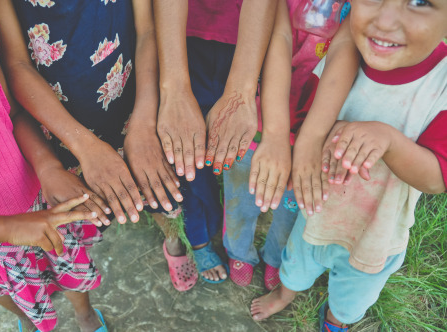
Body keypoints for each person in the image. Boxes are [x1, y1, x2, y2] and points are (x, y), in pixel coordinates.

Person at [0, 0, 194, 291]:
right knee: (97, 206)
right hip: (63, 125)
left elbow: (146, 29)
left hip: (135, 98)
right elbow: (16, 64)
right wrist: (84, 146)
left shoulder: (142, 114)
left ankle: (173, 236)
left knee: (159, 187)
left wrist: (144, 120)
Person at [251, 1, 447, 331]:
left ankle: (337, 319)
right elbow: (305, 127)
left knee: (354, 293)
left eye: (419, 1)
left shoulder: (440, 86)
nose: (385, 21)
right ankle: (285, 294)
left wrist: (390, 140)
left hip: (378, 233)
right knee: (297, 263)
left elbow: (437, 178)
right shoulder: (339, 61)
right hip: (318, 211)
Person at [0, 4, 108, 332]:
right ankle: (28, 319)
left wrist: (47, 167)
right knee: (7, 290)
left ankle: (85, 315)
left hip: (40, 201)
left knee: (69, 264)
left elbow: (13, 115)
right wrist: (8, 229)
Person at [223, 0, 357, 289]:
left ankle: (276, 256)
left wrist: (311, 140)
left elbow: (345, 51)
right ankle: (238, 251)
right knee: (240, 194)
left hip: (314, 122)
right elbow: (278, 37)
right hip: (257, 119)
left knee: (293, 202)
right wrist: (274, 134)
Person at [154, 0, 277, 285]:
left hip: (244, 40)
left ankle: (217, 225)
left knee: (226, 148)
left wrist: (242, 90)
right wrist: (174, 87)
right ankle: (198, 237)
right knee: (186, 156)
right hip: (182, 36)